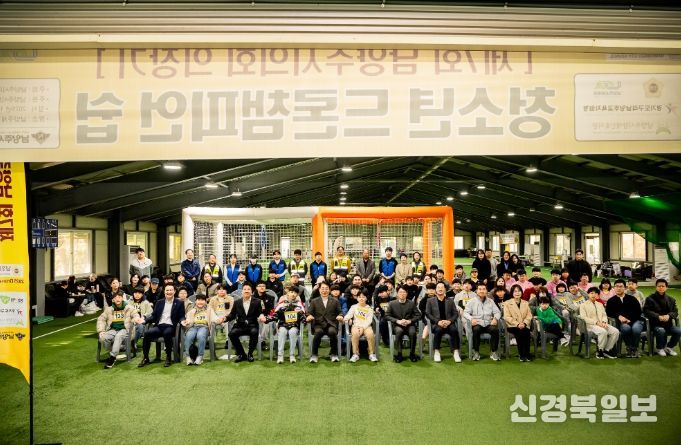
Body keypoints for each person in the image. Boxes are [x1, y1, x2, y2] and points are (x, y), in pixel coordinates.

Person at [137, 283, 186, 367]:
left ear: (174, 291)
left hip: (170, 326)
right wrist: (144, 320)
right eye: (167, 290)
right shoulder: (159, 302)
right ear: (164, 291)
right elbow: (154, 316)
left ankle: (168, 357)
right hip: (159, 326)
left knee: (167, 333)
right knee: (147, 333)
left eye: (171, 290)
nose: (169, 292)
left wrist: (182, 321)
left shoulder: (179, 303)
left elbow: (181, 315)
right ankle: (145, 358)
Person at [225, 282, 266, 362]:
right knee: (232, 334)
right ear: (242, 291)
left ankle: (250, 354)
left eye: (248, 289)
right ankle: (241, 354)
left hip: (252, 325)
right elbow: (232, 315)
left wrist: (261, 316)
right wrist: (225, 318)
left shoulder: (257, 301)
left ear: (252, 291)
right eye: (244, 289)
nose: (246, 291)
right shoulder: (237, 302)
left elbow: (260, 313)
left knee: (254, 332)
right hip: (240, 325)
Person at [97, 291, 137, 369]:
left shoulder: (129, 308)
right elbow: (101, 319)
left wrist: (136, 319)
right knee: (103, 337)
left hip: (126, 330)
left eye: (119, 297)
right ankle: (113, 352)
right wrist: (101, 330)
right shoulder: (109, 309)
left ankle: (112, 357)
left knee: (119, 336)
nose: (117, 299)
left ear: (122, 298)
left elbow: (135, 315)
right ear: (113, 300)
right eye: (115, 297)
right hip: (113, 330)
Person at [306, 281, 344, 363]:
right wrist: (309, 316)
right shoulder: (314, 301)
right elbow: (308, 312)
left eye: (326, 289)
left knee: (332, 332)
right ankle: (314, 355)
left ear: (329, 290)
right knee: (318, 332)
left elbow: (340, 312)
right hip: (318, 324)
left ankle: (334, 354)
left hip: (331, 324)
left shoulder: (335, 301)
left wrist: (340, 315)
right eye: (322, 288)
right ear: (319, 290)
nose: (324, 291)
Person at [463, 283, 501, 361]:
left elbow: (497, 312)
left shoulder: (490, 301)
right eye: (480, 289)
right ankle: (476, 352)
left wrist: (495, 319)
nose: (482, 291)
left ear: (486, 291)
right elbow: (465, 313)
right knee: (476, 330)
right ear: (477, 291)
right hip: (477, 323)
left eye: (484, 289)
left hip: (488, 323)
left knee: (495, 330)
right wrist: (471, 319)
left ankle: (493, 352)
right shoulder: (472, 301)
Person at [606, 279, 643, 358]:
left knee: (636, 329)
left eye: (621, 286)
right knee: (626, 328)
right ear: (614, 288)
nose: (618, 288)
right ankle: (629, 347)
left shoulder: (632, 299)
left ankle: (634, 348)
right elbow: (609, 312)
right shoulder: (611, 301)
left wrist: (630, 319)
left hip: (635, 320)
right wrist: (619, 316)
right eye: (616, 286)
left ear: (625, 288)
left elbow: (638, 311)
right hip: (622, 323)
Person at [426, 281, 461, 363]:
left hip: (449, 323)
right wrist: (438, 321)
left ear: (445, 289)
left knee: (454, 330)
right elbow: (428, 314)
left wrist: (449, 321)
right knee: (438, 330)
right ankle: (437, 352)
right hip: (437, 323)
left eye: (442, 287)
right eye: (438, 287)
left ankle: (455, 352)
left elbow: (455, 313)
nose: (440, 289)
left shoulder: (450, 300)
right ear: (435, 290)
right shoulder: (430, 300)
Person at [643, 278, 680, 357]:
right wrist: (658, 316)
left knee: (678, 331)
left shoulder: (671, 299)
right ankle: (660, 348)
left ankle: (669, 347)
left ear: (666, 287)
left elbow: (675, 312)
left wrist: (668, 315)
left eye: (663, 286)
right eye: (659, 286)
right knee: (661, 330)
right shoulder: (650, 299)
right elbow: (646, 311)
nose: (661, 288)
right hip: (655, 324)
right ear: (656, 287)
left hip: (668, 324)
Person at [579, 287, 619, 359]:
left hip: (602, 324)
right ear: (588, 294)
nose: (593, 295)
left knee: (615, 331)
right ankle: (600, 350)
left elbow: (604, 315)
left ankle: (607, 350)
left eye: (596, 293)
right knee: (603, 332)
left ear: (598, 295)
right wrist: (596, 322)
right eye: (591, 293)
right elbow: (584, 317)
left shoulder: (600, 304)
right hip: (590, 325)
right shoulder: (583, 305)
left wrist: (604, 322)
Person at [385, 285, 421, 363]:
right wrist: (397, 321)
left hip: (409, 324)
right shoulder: (392, 303)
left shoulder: (411, 303)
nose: (402, 294)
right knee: (399, 331)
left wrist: (410, 321)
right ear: (397, 293)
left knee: (412, 332)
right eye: (400, 292)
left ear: (407, 293)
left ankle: (412, 353)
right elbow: (387, 315)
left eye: (404, 292)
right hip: (397, 325)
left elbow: (418, 315)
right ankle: (399, 354)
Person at [344, 289, 379, 362]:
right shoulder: (354, 307)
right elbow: (348, 315)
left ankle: (371, 354)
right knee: (355, 333)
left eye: (363, 297)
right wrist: (347, 319)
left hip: (366, 326)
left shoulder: (369, 308)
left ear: (366, 298)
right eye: (359, 297)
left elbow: (369, 320)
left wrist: (363, 327)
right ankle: (355, 354)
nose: (361, 298)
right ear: (357, 298)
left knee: (370, 334)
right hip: (356, 326)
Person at [273, 287, 306, 363]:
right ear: (287, 293)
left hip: (294, 325)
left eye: (295, 293)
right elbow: (275, 314)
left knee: (292, 332)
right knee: (282, 331)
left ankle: (292, 355)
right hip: (283, 325)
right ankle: (280, 355)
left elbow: (303, 315)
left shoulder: (299, 304)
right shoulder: (282, 303)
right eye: (291, 292)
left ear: (297, 295)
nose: (293, 294)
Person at [181, 294, 215, 365]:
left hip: (204, 327)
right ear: (195, 301)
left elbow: (215, 318)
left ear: (205, 302)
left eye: (202, 300)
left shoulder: (209, 310)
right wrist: (186, 322)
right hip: (193, 327)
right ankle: (188, 357)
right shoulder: (192, 310)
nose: (200, 302)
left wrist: (220, 320)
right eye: (198, 300)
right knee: (189, 336)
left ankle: (200, 356)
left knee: (200, 335)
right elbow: (187, 319)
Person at [503, 284, 533, 362]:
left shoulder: (525, 303)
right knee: (520, 332)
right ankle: (522, 354)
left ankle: (527, 353)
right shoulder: (507, 303)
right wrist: (517, 324)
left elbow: (529, 315)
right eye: (515, 291)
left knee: (526, 331)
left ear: (521, 292)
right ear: (512, 293)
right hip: (512, 326)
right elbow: (507, 317)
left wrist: (524, 323)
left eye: (519, 291)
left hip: (524, 324)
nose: (517, 293)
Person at [128, 286, 153, 352]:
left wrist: (144, 317)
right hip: (131, 321)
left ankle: (133, 343)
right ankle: (127, 344)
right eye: (135, 293)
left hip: (141, 321)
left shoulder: (146, 302)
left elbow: (150, 312)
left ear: (142, 294)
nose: (137, 295)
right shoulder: (129, 302)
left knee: (140, 327)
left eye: (139, 293)